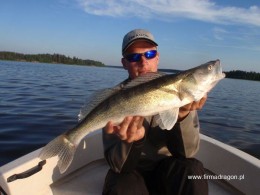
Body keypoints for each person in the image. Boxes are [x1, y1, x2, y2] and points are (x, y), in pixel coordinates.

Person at [102, 29, 208, 195]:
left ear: (157, 57)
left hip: (166, 169)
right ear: (124, 63)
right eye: (134, 57)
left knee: (192, 170)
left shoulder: (178, 89)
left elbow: (187, 153)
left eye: (149, 54)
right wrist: (133, 141)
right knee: (122, 185)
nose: (143, 62)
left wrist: (182, 116)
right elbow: (117, 165)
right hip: (131, 170)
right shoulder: (114, 98)